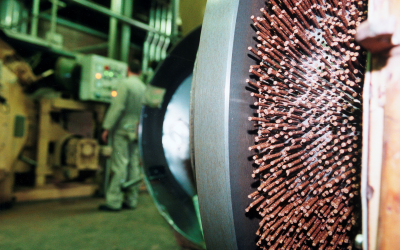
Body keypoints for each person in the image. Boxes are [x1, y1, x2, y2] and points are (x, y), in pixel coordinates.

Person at [99, 60, 146, 211]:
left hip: (122, 129)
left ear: (128, 69)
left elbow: (118, 107)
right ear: (140, 72)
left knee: (120, 164)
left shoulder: (125, 84)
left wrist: (106, 127)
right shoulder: (144, 88)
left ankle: (114, 201)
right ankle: (131, 200)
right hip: (136, 129)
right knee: (133, 164)